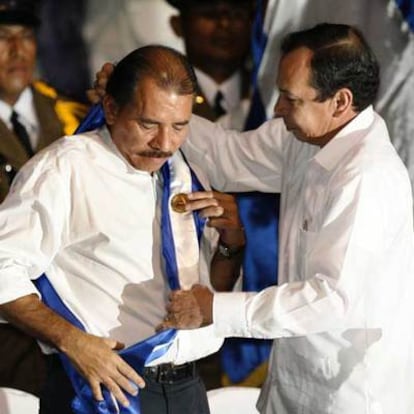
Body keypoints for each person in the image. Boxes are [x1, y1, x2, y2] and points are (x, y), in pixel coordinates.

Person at [161, 23, 414, 413]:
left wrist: (216, 309)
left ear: (340, 102)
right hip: (290, 388)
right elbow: (226, 159)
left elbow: (331, 299)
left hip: (347, 398)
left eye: (290, 99)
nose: (277, 109)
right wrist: (159, 108)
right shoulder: (304, 136)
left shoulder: (368, 177)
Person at [0, 45, 245, 414]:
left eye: (179, 126)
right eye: (148, 124)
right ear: (112, 109)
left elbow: (212, 289)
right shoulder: (65, 168)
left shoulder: (186, 171)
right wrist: (72, 342)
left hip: (188, 390)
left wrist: (231, 243)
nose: (164, 143)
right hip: (101, 392)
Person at [0, 0, 86, 398]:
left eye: (26, 36)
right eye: (2, 38)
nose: (18, 51)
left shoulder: (74, 117)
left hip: (76, 320)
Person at [167, 0, 254, 129]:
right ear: (178, 25)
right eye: (210, 14)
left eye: (237, 15)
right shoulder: (162, 94)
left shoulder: (267, 93)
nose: (225, 24)